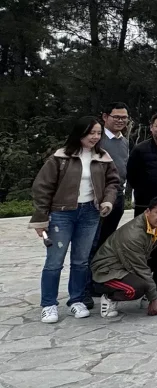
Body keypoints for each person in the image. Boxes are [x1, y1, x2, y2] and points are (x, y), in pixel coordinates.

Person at [30, 116, 120, 323]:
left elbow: (113, 182)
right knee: (54, 261)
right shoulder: (60, 157)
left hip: (90, 214)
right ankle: (49, 304)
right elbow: (42, 187)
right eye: (91, 133)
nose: (95, 137)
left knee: (81, 261)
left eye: (98, 133)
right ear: (80, 133)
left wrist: (107, 201)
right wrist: (41, 218)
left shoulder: (103, 157)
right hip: (61, 214)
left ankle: (77, 300)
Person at [91, 195, 157, 319]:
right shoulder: (134, 234)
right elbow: (141, 269)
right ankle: (109, 297)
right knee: (137, 288)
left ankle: (149, 293)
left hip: (126, 264)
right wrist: (154, 298)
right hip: (106, 271)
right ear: (148, 211)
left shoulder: (152, 224)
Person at [96, 101, 130, 249]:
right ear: (105, 117)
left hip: (118, 195)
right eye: (116, 117)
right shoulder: (96, 139)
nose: (120, 120)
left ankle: (103, 263)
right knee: (93, 240)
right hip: (99, 197)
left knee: (107, 239)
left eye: (124, 117)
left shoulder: (124, 141)